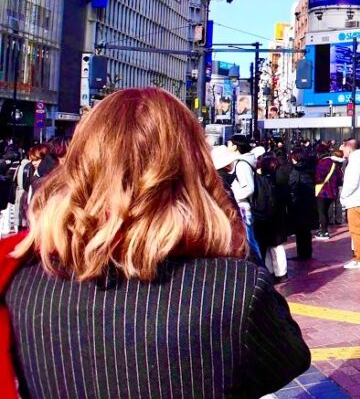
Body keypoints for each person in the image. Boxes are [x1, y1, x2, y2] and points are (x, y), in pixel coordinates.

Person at [7, 88, 309, 397]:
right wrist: (232, 235)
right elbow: (291, 358)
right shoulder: (233, 288)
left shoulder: (20, 284)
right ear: (194, 168)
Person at [255, 154, 290, 282]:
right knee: (275, 246)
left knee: (273, 246)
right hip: (279, 216)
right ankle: (278, 273)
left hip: (270, 217)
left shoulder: (264, 180)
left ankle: (277, 273)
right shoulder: (281, 178)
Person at [339, 139, 360, 270]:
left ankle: (359, 258)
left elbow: (351, 183)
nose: (342, 151)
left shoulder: (354, 162)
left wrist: (343, 195)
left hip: (354, 200)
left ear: (349, 148)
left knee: (356, 231)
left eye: (343, 148)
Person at [288, 148, 319, 260]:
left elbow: (292, 184)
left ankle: (302, 254)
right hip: (308, 203)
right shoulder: (309, 168)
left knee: (300, 230)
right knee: (305, 231)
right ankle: (306, 253)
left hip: (299, 203)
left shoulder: (296, 170)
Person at [313, 147, 344, 240]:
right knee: (325, 211)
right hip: (333, 192)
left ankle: (324, 231)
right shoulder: (336, 165)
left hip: (322, 191)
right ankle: (324, 229)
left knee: (322, 212)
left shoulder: (322, 163)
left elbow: (318, 177)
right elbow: (340, 180)